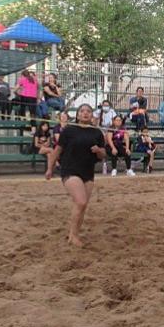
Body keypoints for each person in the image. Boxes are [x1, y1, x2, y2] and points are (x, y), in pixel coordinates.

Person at [48, 103, 107, 247]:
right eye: (82, 111)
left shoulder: (97, 133)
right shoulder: (69, 130)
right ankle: (73, 236)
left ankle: (74, 233)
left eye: (88, 111)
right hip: (70, 169)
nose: (85, 113)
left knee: (82, 205)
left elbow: (103, 155)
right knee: (80, 201)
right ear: (78, 114)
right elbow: (57, 150)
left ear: (92, 115)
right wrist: (49, 168)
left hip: (88, 171)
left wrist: (98, 150)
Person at [44, 111, 71, 179]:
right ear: (60, 118)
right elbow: (58, 139)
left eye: (65, 116)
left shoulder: (70, 127)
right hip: (59, 145)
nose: (63, 118)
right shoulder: (57, 127)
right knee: (56, 151)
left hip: (68, 145)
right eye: (62, 117)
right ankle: (58, 167)